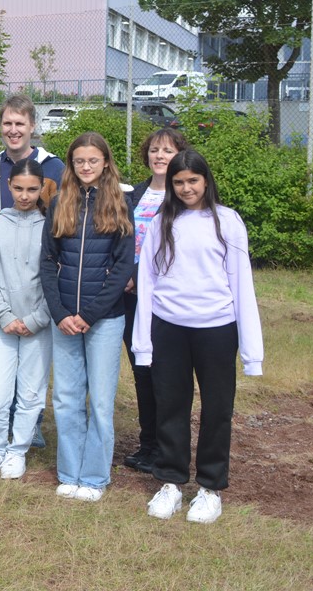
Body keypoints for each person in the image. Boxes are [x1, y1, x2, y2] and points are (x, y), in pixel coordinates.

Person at [134, 150, 263, 525]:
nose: (186, 188)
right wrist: (144, 343)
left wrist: (252, 353)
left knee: (217, 409)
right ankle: (171, 482)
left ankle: (209, 488)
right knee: (170, 405)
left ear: (205, 180)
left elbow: (242, 283)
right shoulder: (162, 222)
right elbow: (148, 282)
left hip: (216, 329)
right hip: (169, 327)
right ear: (170, 185)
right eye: (179, 182)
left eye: (193, 180)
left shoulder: (228, 221)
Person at [40, 132, 134, 502]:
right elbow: (48, 261)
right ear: (71, 164)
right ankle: (70, 472)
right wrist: (61, 313)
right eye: (79, 161)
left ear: (106, 162)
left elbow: (124, 265)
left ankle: (94, 477)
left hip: (104, 320)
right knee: (65, 397)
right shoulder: (59, 201)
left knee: (99, 401)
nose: (86, 167)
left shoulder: (120, 203)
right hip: (63, 318)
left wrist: (90, 315)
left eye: (93, 160)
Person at [0, 95, 63, 447]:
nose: (13, 130)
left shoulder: (52, 168)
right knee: (3, 350)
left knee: (34, 354)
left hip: (37, 279)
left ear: (32, 127)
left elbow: (62, 223)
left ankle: (30, 423)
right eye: (7, 123)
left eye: (20, 124)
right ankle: (0, 422)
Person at [0, 159, 53, 480]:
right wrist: (3, 316)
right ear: (8, 186)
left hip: (37, 326)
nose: (24, 195)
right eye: (18, 188)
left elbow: (53, 279)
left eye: (32, 189)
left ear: (43, 188)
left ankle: (17, 450)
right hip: (2, 326)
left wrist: (35, 319)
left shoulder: (50, 226)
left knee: (32, 392)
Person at [122, 126, 188, 473]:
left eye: (167, 150)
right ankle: (148, 445)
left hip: (168, 300)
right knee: (142, 370)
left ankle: (169, 447)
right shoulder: (132, 195)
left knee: (167, 373)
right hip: (132, 299)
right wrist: (127, 274)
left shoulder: (186, 196)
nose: (160, 156)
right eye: (154, 150)